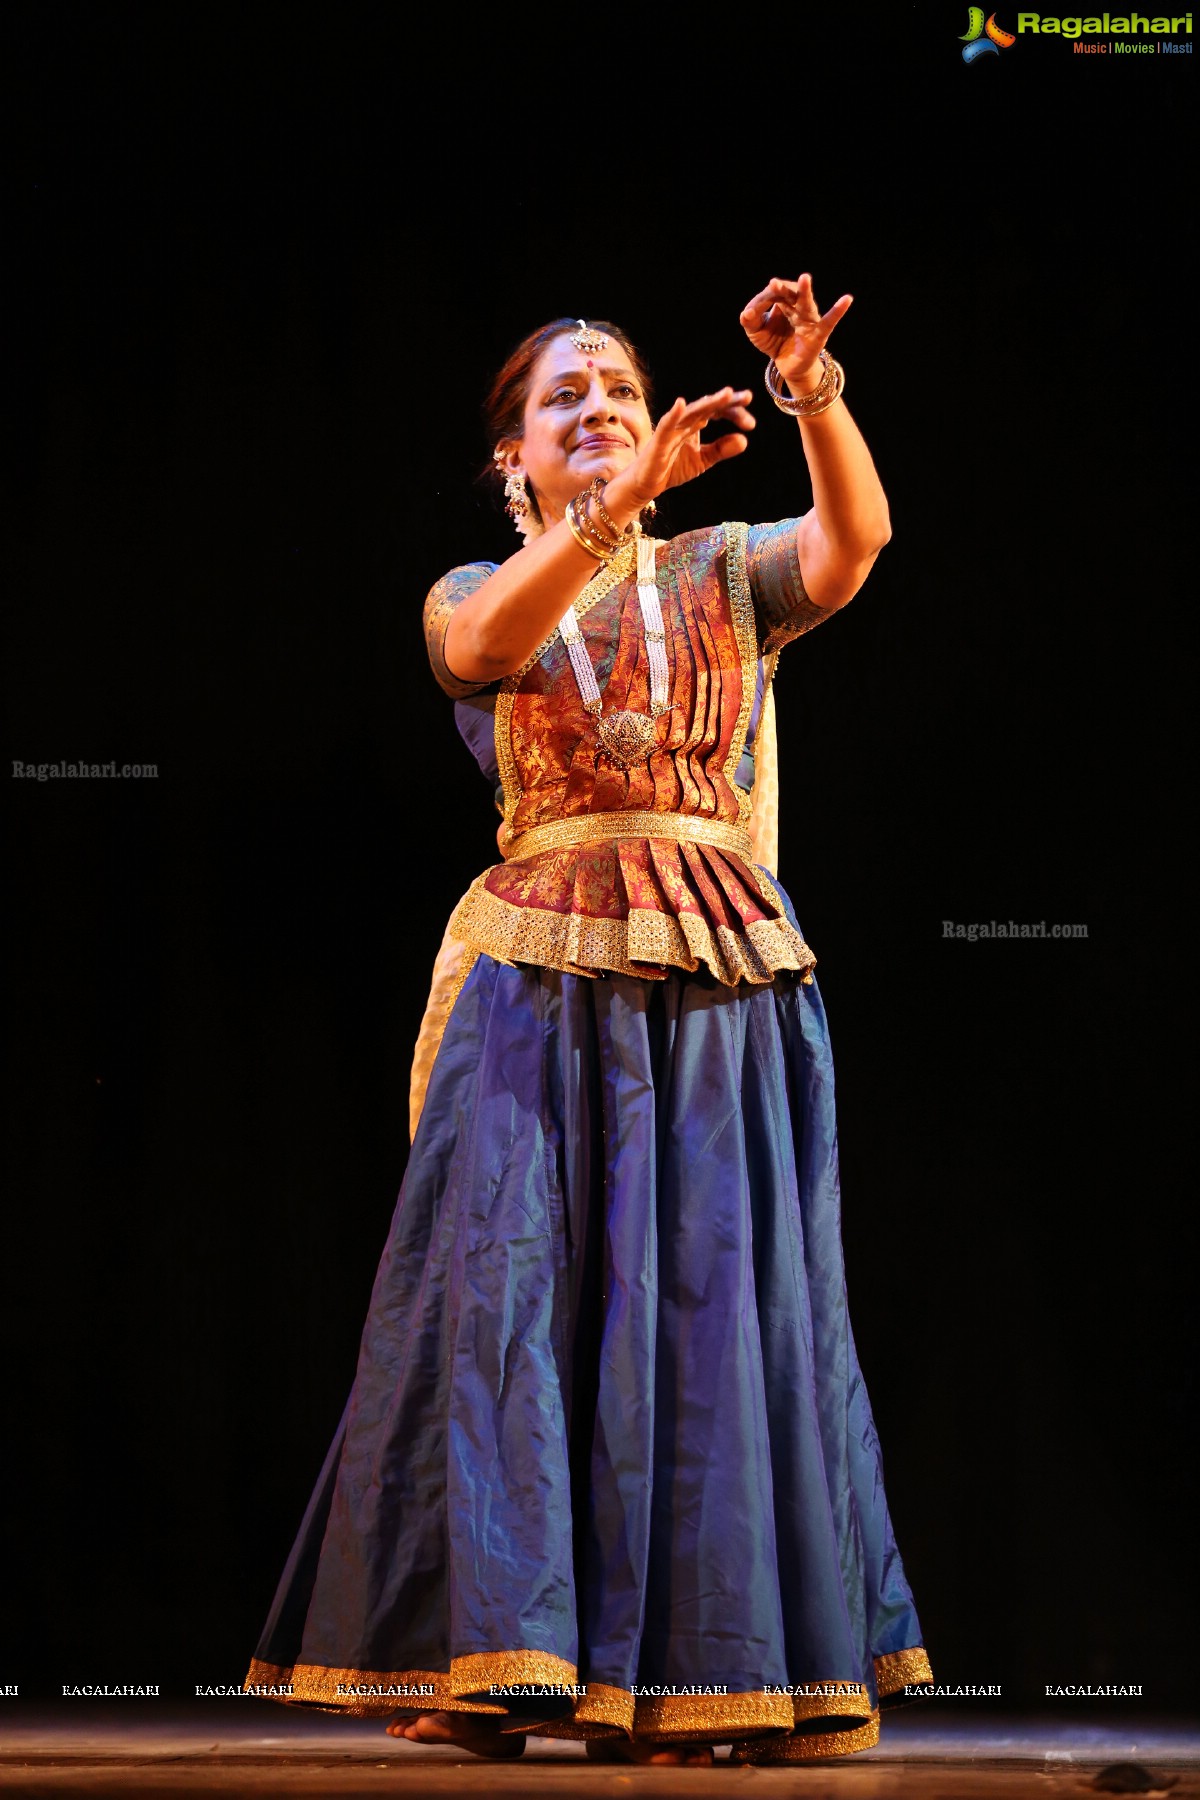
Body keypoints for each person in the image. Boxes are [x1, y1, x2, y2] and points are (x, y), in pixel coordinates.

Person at [245, 274, 932, 1767]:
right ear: (516, 460)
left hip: (712, 968)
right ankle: (509, 1661)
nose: (602, 410)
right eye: (567, 400)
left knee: (704, 1302)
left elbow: (853, 545)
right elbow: (484, 650)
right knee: (507, 1304)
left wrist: (815, 395)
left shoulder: (719, 574)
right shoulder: (474, 588)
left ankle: (712, 1674)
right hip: (536, 976)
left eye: (619, 389)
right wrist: (610, 513)